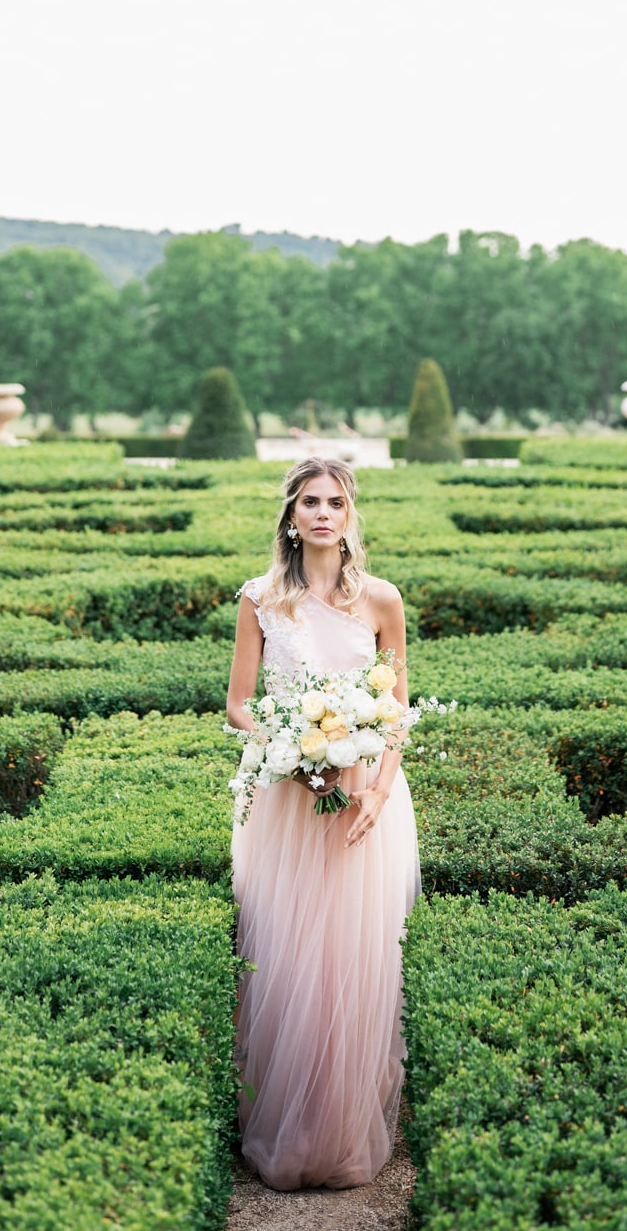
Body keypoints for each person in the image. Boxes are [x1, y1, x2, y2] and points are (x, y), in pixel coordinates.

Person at [227, 457, 422, 1191]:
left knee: (352, 963)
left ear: (350, 515)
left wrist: (375, 790)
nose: (321, 513)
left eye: (334, 502)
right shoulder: (259, 601)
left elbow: (396, 707)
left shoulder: (381, 600)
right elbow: (239, 702)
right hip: (284, 799)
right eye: (309, 501)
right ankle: (286, 1124)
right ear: (290, 515)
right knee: (283, 957)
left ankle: (340, 1132)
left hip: (364, 804)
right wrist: (284, 744)